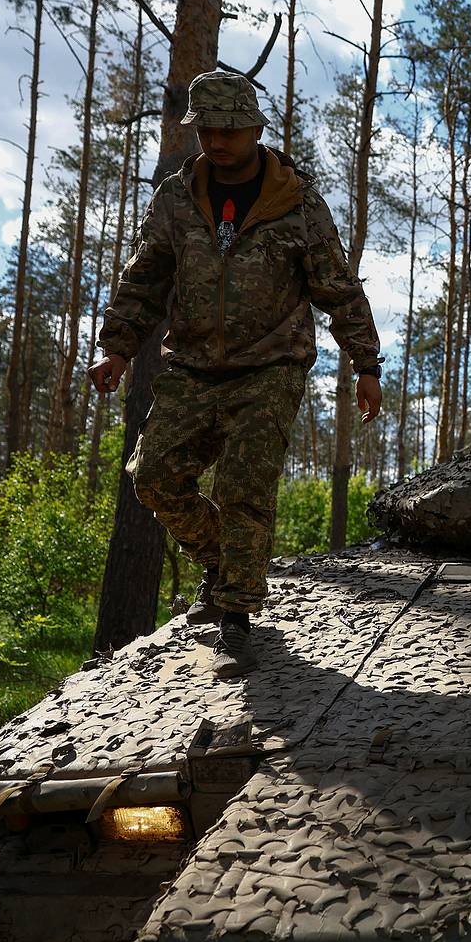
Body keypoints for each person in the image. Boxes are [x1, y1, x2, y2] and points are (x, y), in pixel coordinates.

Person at [89, 71, 383, 678]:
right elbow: (146, 279)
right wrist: (117, 349)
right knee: (153, 478)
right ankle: (224, 564)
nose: (216, 142)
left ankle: (236, 614)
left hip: (271, 364)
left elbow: (337, 288)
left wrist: (366, 363)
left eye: (228, 130)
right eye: (206, 131)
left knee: (244, 486)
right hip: (192, 364)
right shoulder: (177, 197)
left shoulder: (297, 202)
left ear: (255, 127)